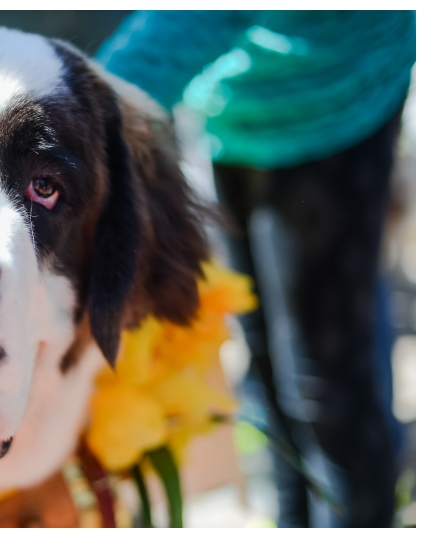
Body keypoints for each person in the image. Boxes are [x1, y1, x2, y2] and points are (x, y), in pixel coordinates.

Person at [97, 10, 415, 527]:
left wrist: (73, 106)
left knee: (324, 390)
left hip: (330, 96)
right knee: (266, 374)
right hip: (233, 106)